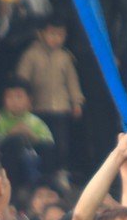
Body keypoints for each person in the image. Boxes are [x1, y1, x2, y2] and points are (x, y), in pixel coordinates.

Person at [14, 17, 81, 177]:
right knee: (40, 140)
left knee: (61, 143)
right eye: (52, 34)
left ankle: (60, 172)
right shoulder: (31, 55)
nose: (56, 39)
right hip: (38, 107)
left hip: (60, 107)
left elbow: (72, 82)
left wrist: (76, 101)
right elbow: (21, 80)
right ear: (41, 34)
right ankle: (41, 173)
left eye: (60, 35)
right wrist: (22, 101)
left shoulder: (65, 57)